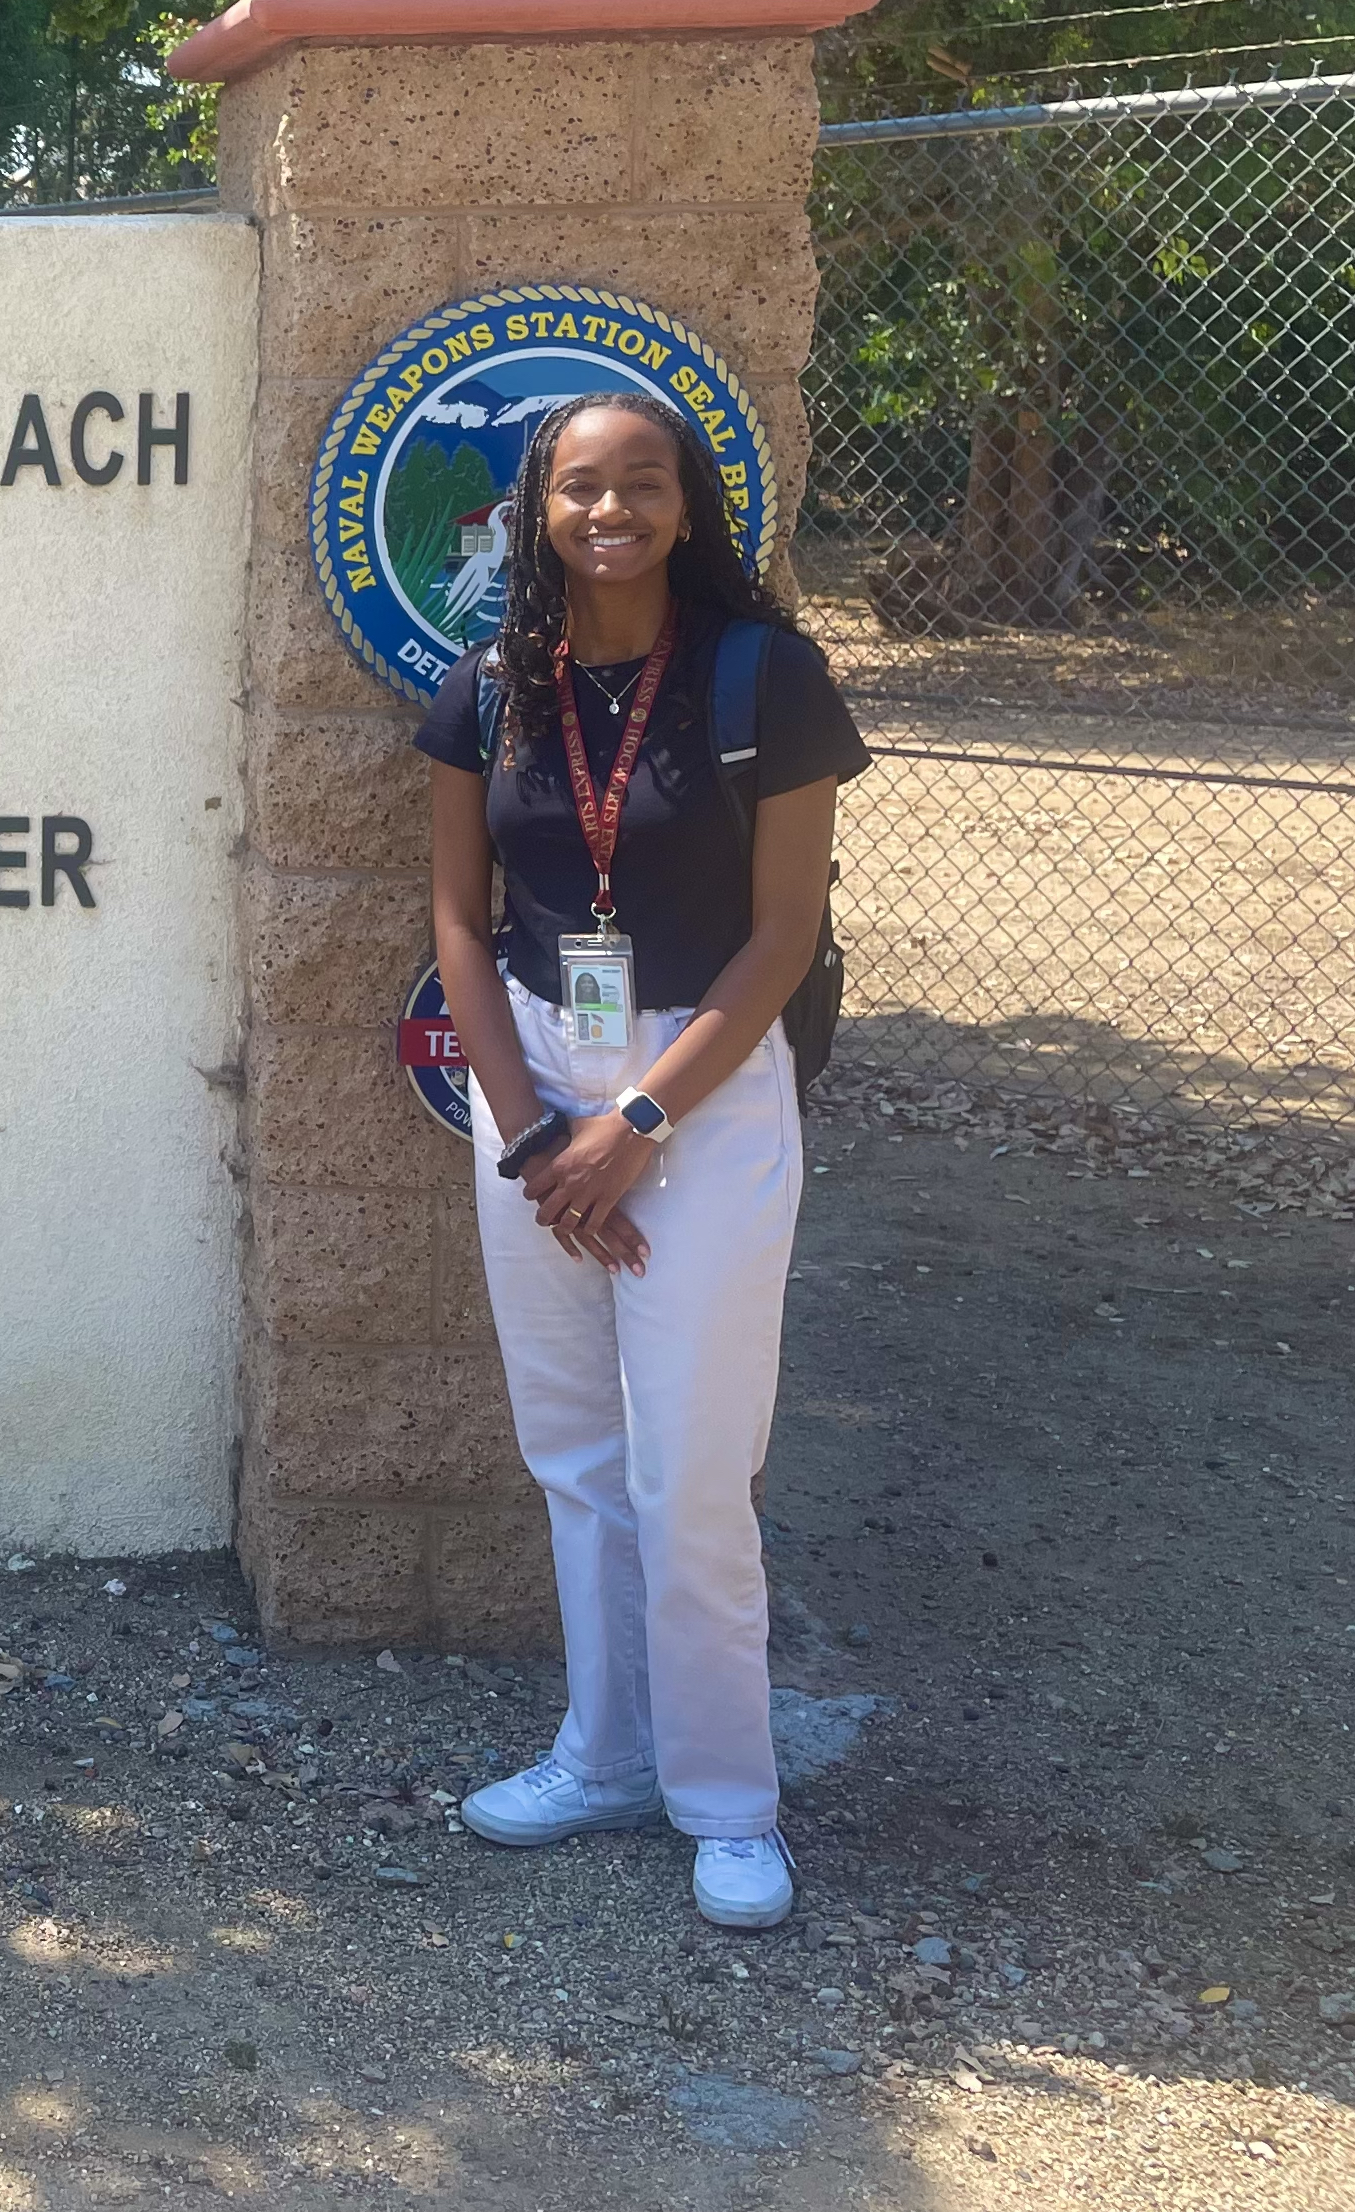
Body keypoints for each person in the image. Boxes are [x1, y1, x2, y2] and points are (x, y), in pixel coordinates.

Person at [417, 389, 867, 1931]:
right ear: (535, 513)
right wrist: (541, 1132)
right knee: (577, 1457)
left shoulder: (765, 677)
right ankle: (603, 1756)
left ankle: (729, 1802)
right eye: (580, 489)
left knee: (691, 1466)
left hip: (706, 1096)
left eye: (644, 486)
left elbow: (782, 936)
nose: (611, 512)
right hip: (533, 1093)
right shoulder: (488, 690)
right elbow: (458, 931)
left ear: (689, 506)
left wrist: (639, 1126)